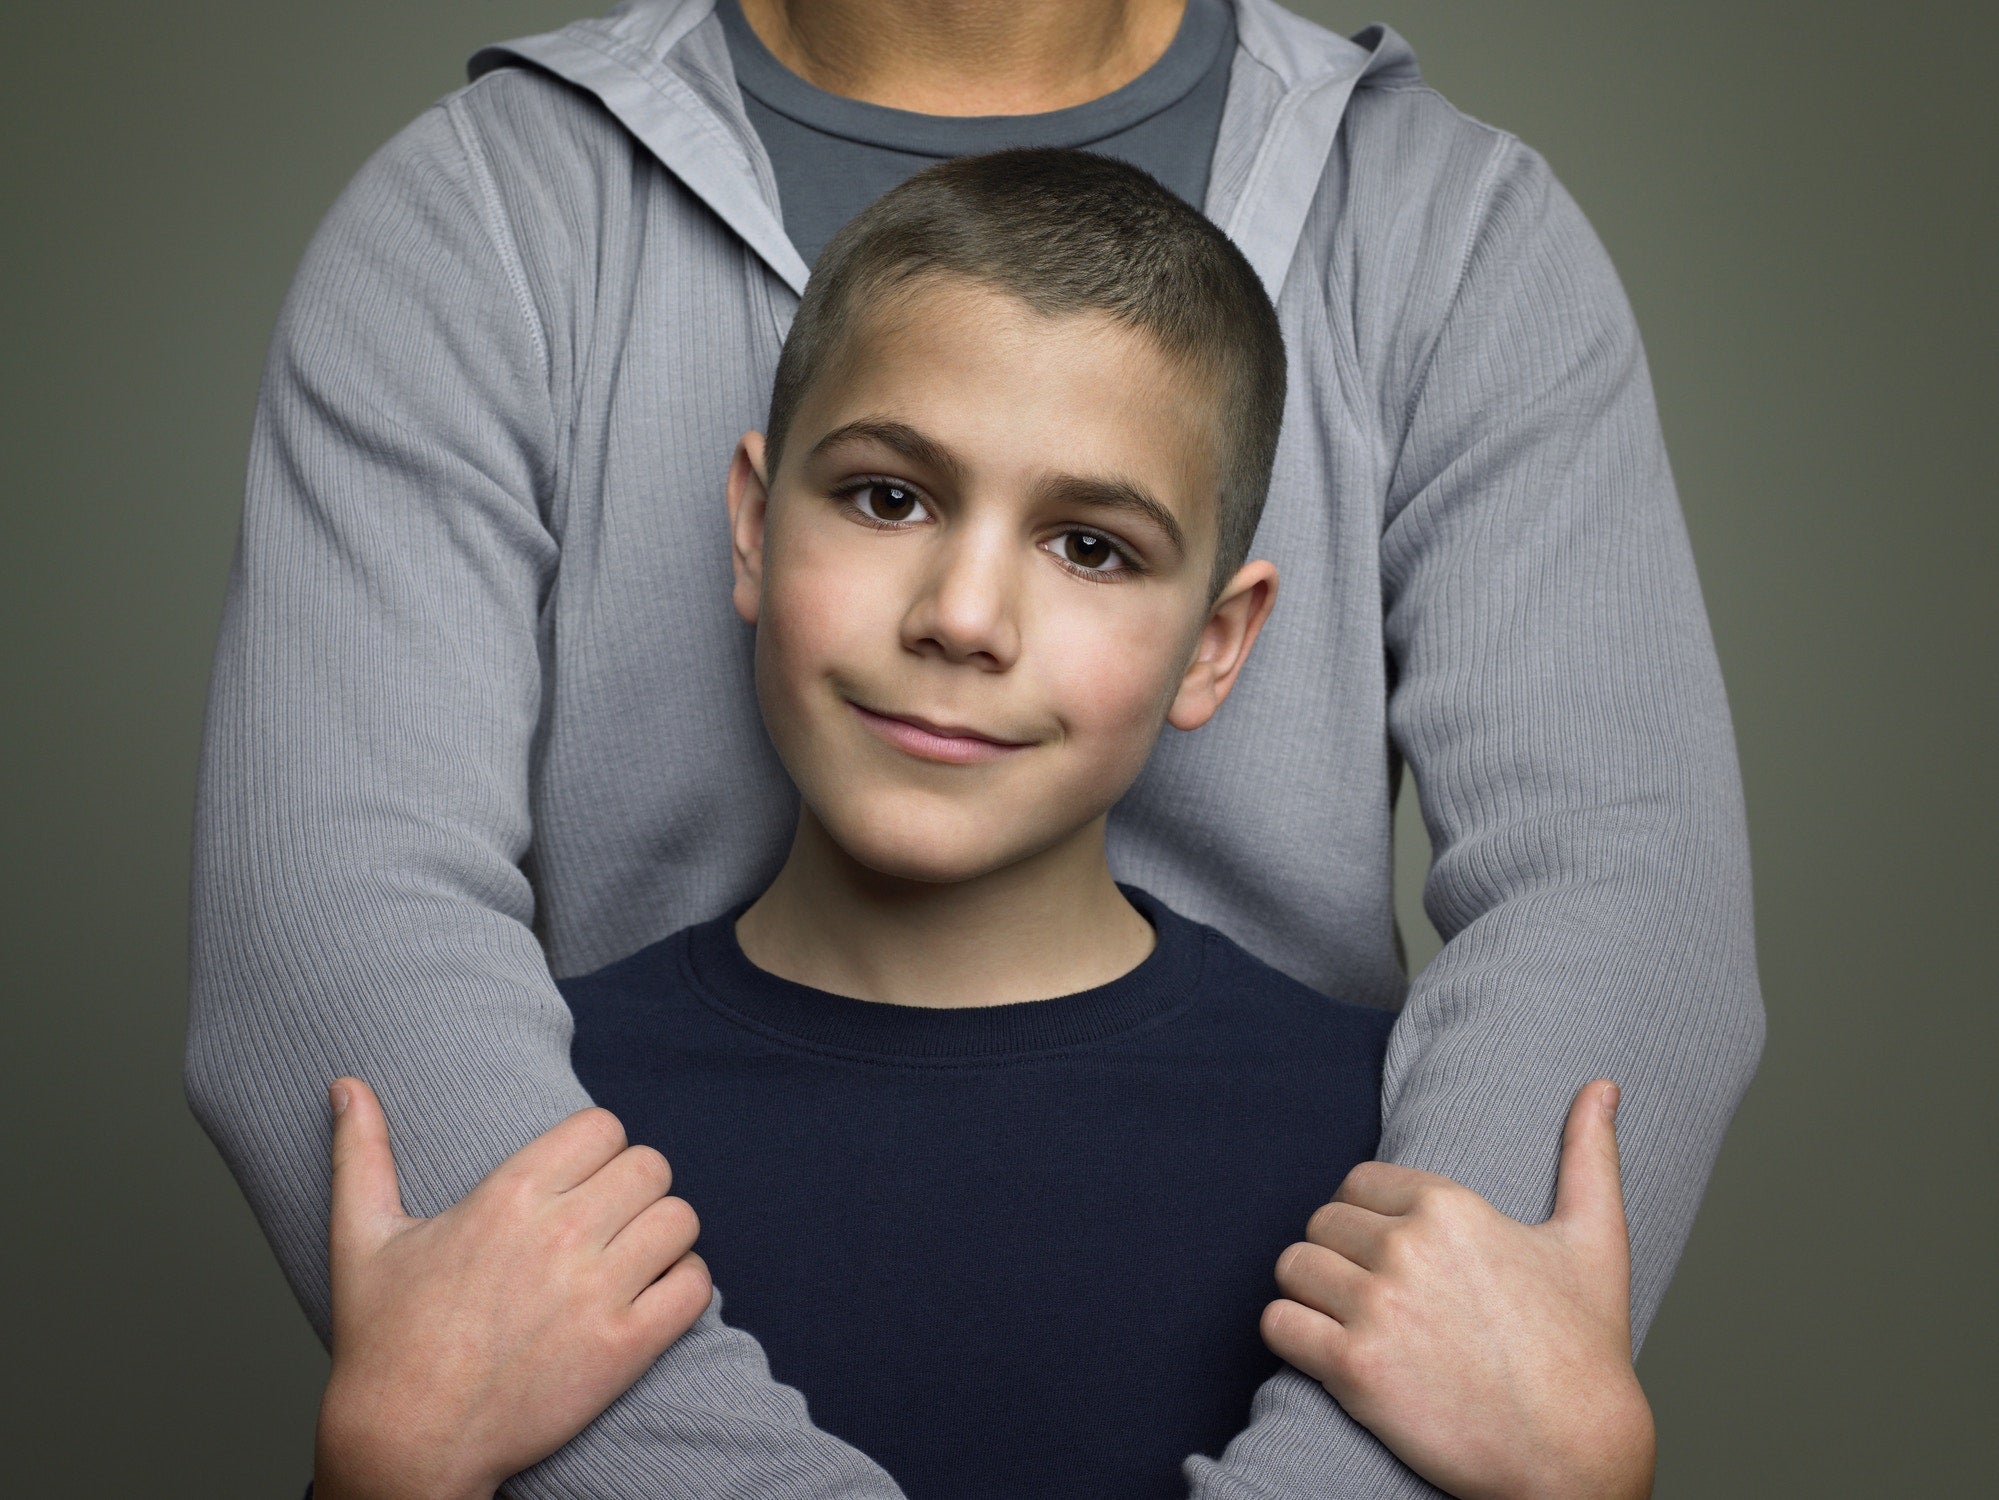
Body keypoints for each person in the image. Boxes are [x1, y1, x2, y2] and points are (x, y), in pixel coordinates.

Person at [187, 0, 1763, 1495]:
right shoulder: (492, 208)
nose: (963, 614)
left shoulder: (1452, 228)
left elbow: (1621, 892)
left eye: (1091, 546)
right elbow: (336, 911)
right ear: (755, 523)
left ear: (1219, 638)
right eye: (886, 498)